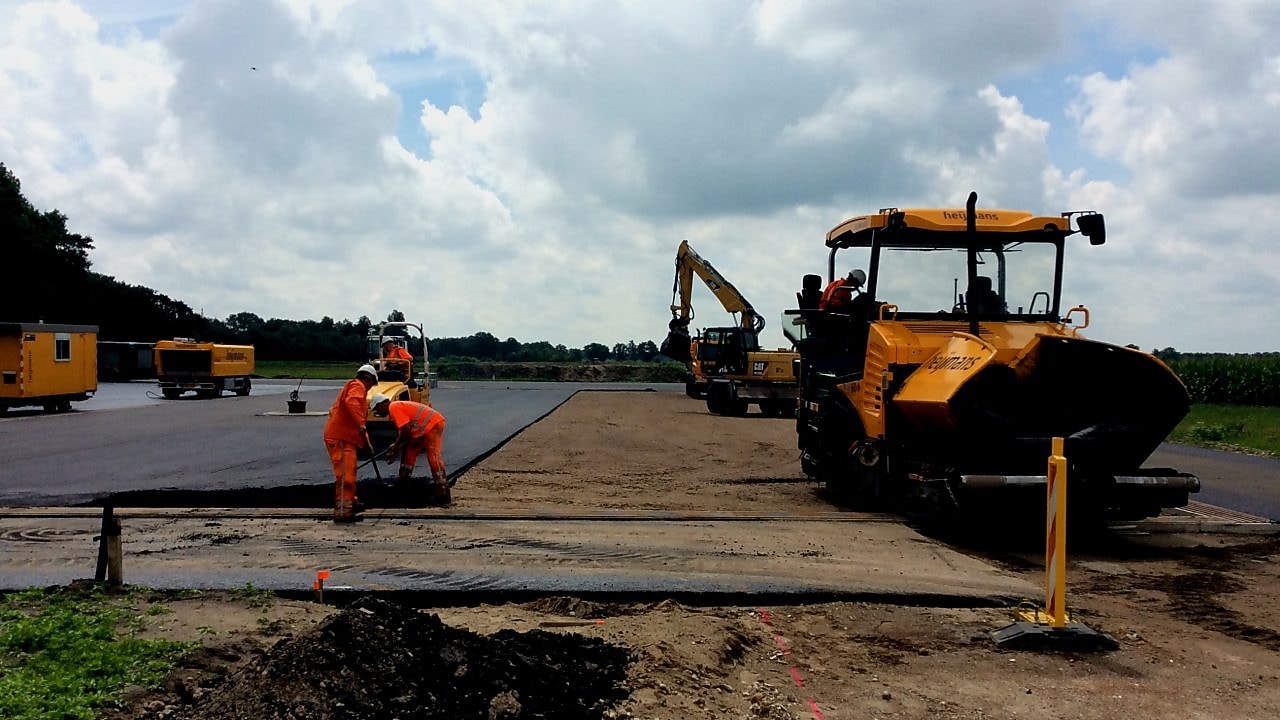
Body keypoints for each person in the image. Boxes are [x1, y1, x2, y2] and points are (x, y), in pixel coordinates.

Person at [323, 364, 379, 523]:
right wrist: (362, 425)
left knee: (350, 472)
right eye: (371, 385)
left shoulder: (354, 387)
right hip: (340, 437)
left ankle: (351, 502)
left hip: (346, 438)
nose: (369, 389)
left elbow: (358, 422)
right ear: (368, 380)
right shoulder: (357, 386)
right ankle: (343, 512)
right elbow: (352, 405)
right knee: (345, 476)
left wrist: (367, 443)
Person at [369, 394, 449, 504]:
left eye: (377, 409)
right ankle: (403, 482)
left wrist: (396, 446)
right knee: (409, 451)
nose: (378, 413)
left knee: (433, 454)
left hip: (432, 424)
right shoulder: (397, 407)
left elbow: (406, 431)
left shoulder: (394, 407)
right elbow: (403, 433)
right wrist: (395, 448)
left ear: (381, 404)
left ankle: (442, 489)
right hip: (421, 428)